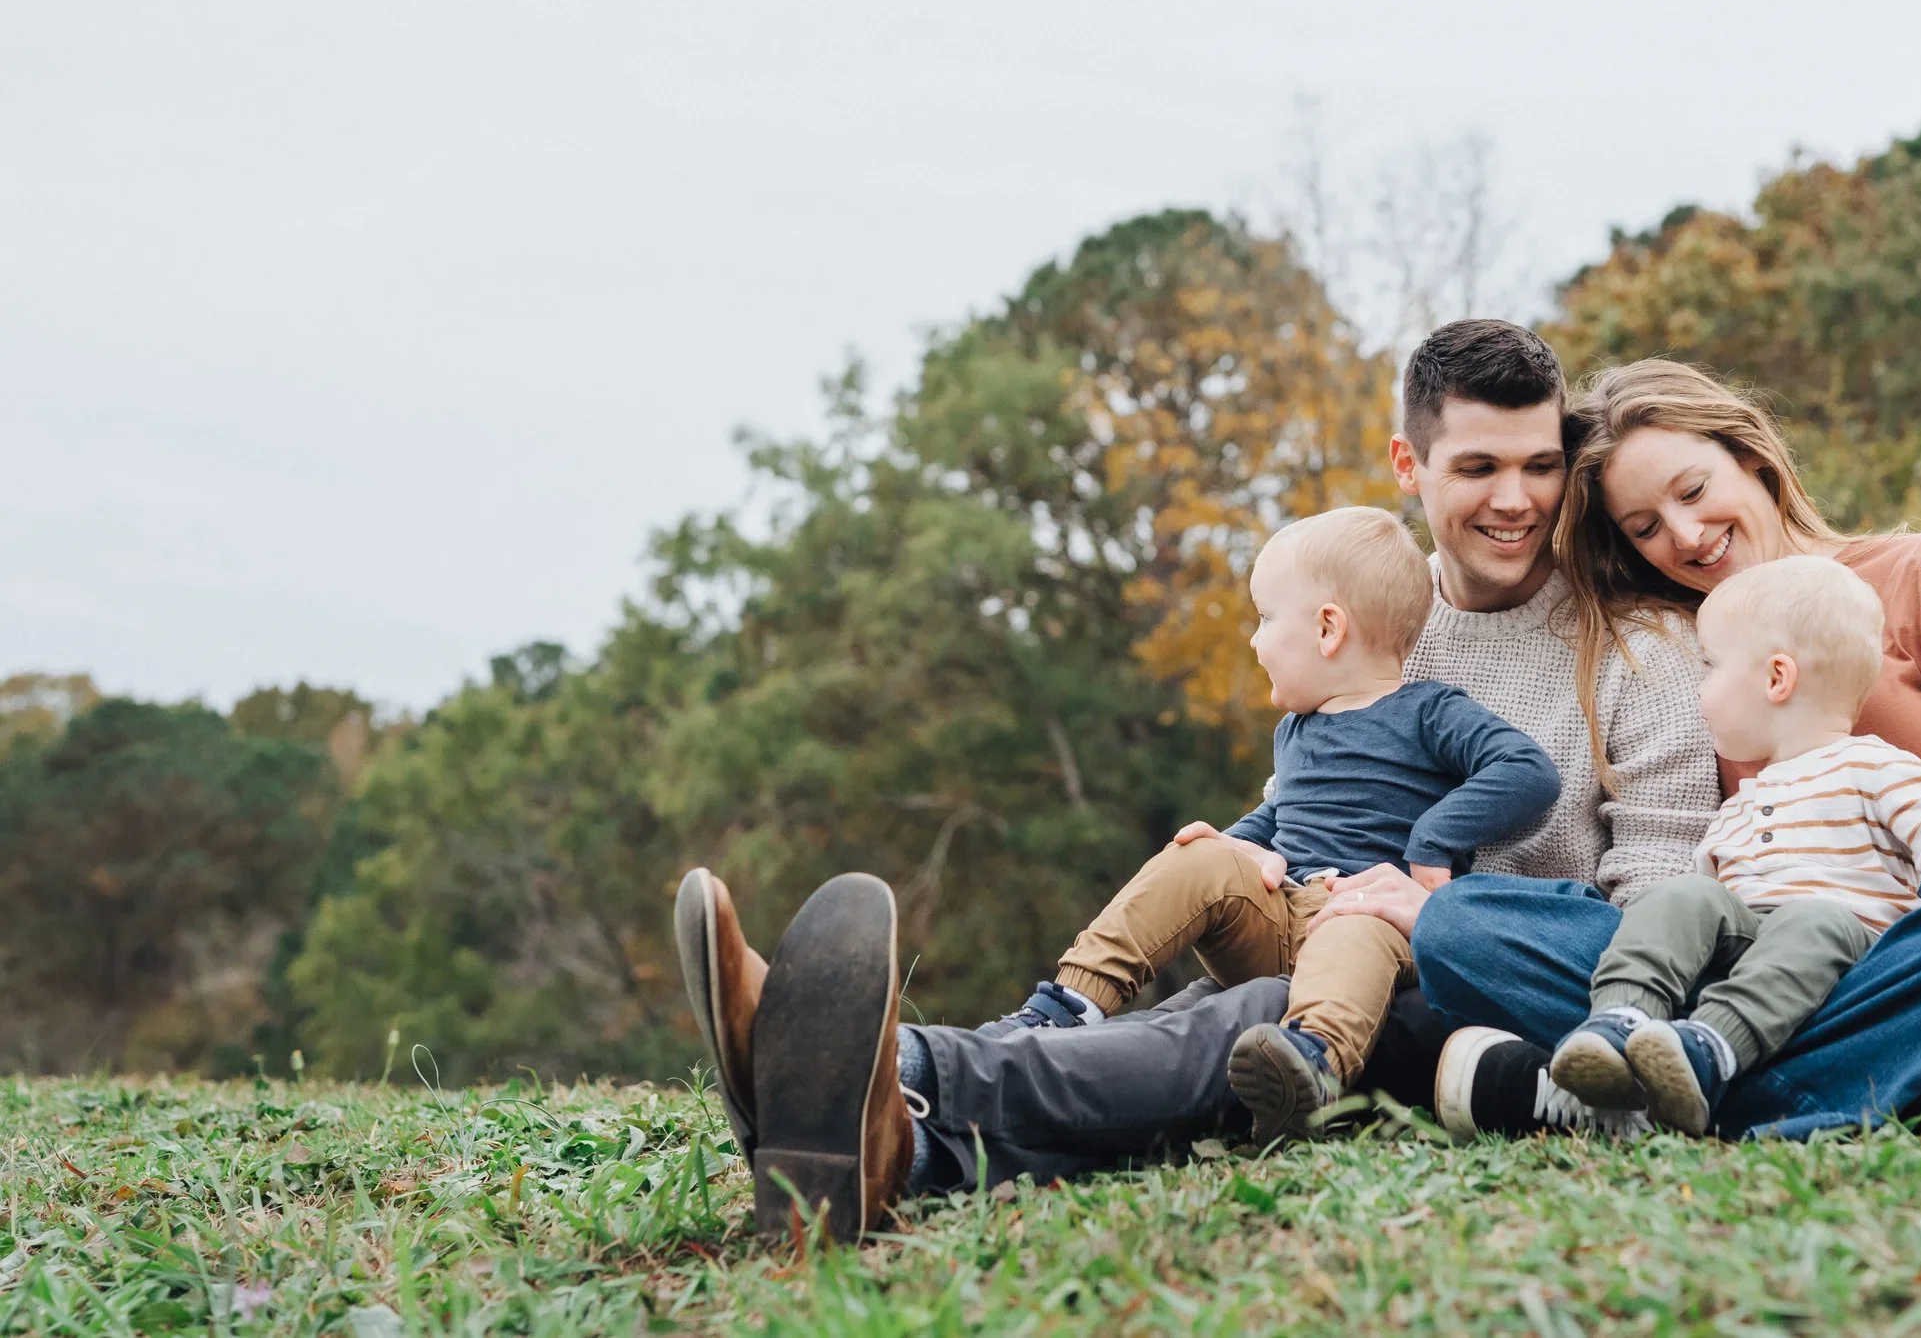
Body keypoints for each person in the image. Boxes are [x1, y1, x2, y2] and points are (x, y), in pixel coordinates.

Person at [673, 319, 1724, 1243]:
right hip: (1328, 950)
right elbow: (1319, 791)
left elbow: (1657, 917)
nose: (1516, 498)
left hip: (1496, 1007)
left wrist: (1452, 898)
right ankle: (908, 1150)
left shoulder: (1639, 653)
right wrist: (1247, 847)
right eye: (1479, 467)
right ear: (1410, 463)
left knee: (1249, 1016)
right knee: (1195, 1019)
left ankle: (874, 1061)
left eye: (1540, 466)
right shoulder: (1375, 619)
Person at [1416, 357, 1921, 1142]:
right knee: (1461, 926)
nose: (1686, 534)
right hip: (1750, 963)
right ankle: (1903, 1093)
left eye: (1694, 490)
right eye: (1644, 528)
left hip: (1913, 954)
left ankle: (1694, 1089)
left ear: (1752, 457)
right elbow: (1683, 886)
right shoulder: (1684, 655)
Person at [976, 505, 1562, 1142]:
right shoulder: (1296, 730)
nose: (1254, 641)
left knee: (1353, 927)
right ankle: (1068, 1005)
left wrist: (1434, 840)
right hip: (1277, 916)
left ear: (1328, 629)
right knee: (1195, 854)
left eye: (1265, 619)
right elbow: (1279, 815)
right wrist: (1228, 848)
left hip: (1374, 924)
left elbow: (1527, 769)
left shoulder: (1430, 711)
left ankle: (1310, 1063)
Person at [1547, 554, 1921, 1133]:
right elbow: (1703, 913)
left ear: (1776, 679)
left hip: (1848, 961)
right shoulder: (1738, 806)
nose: (1699, 688)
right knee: (1681, 896)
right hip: (1746, 950)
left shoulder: (1872, 765)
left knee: (1815, 919)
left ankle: (1709, 1050)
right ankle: (1619, 1025)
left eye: (1709, 667)